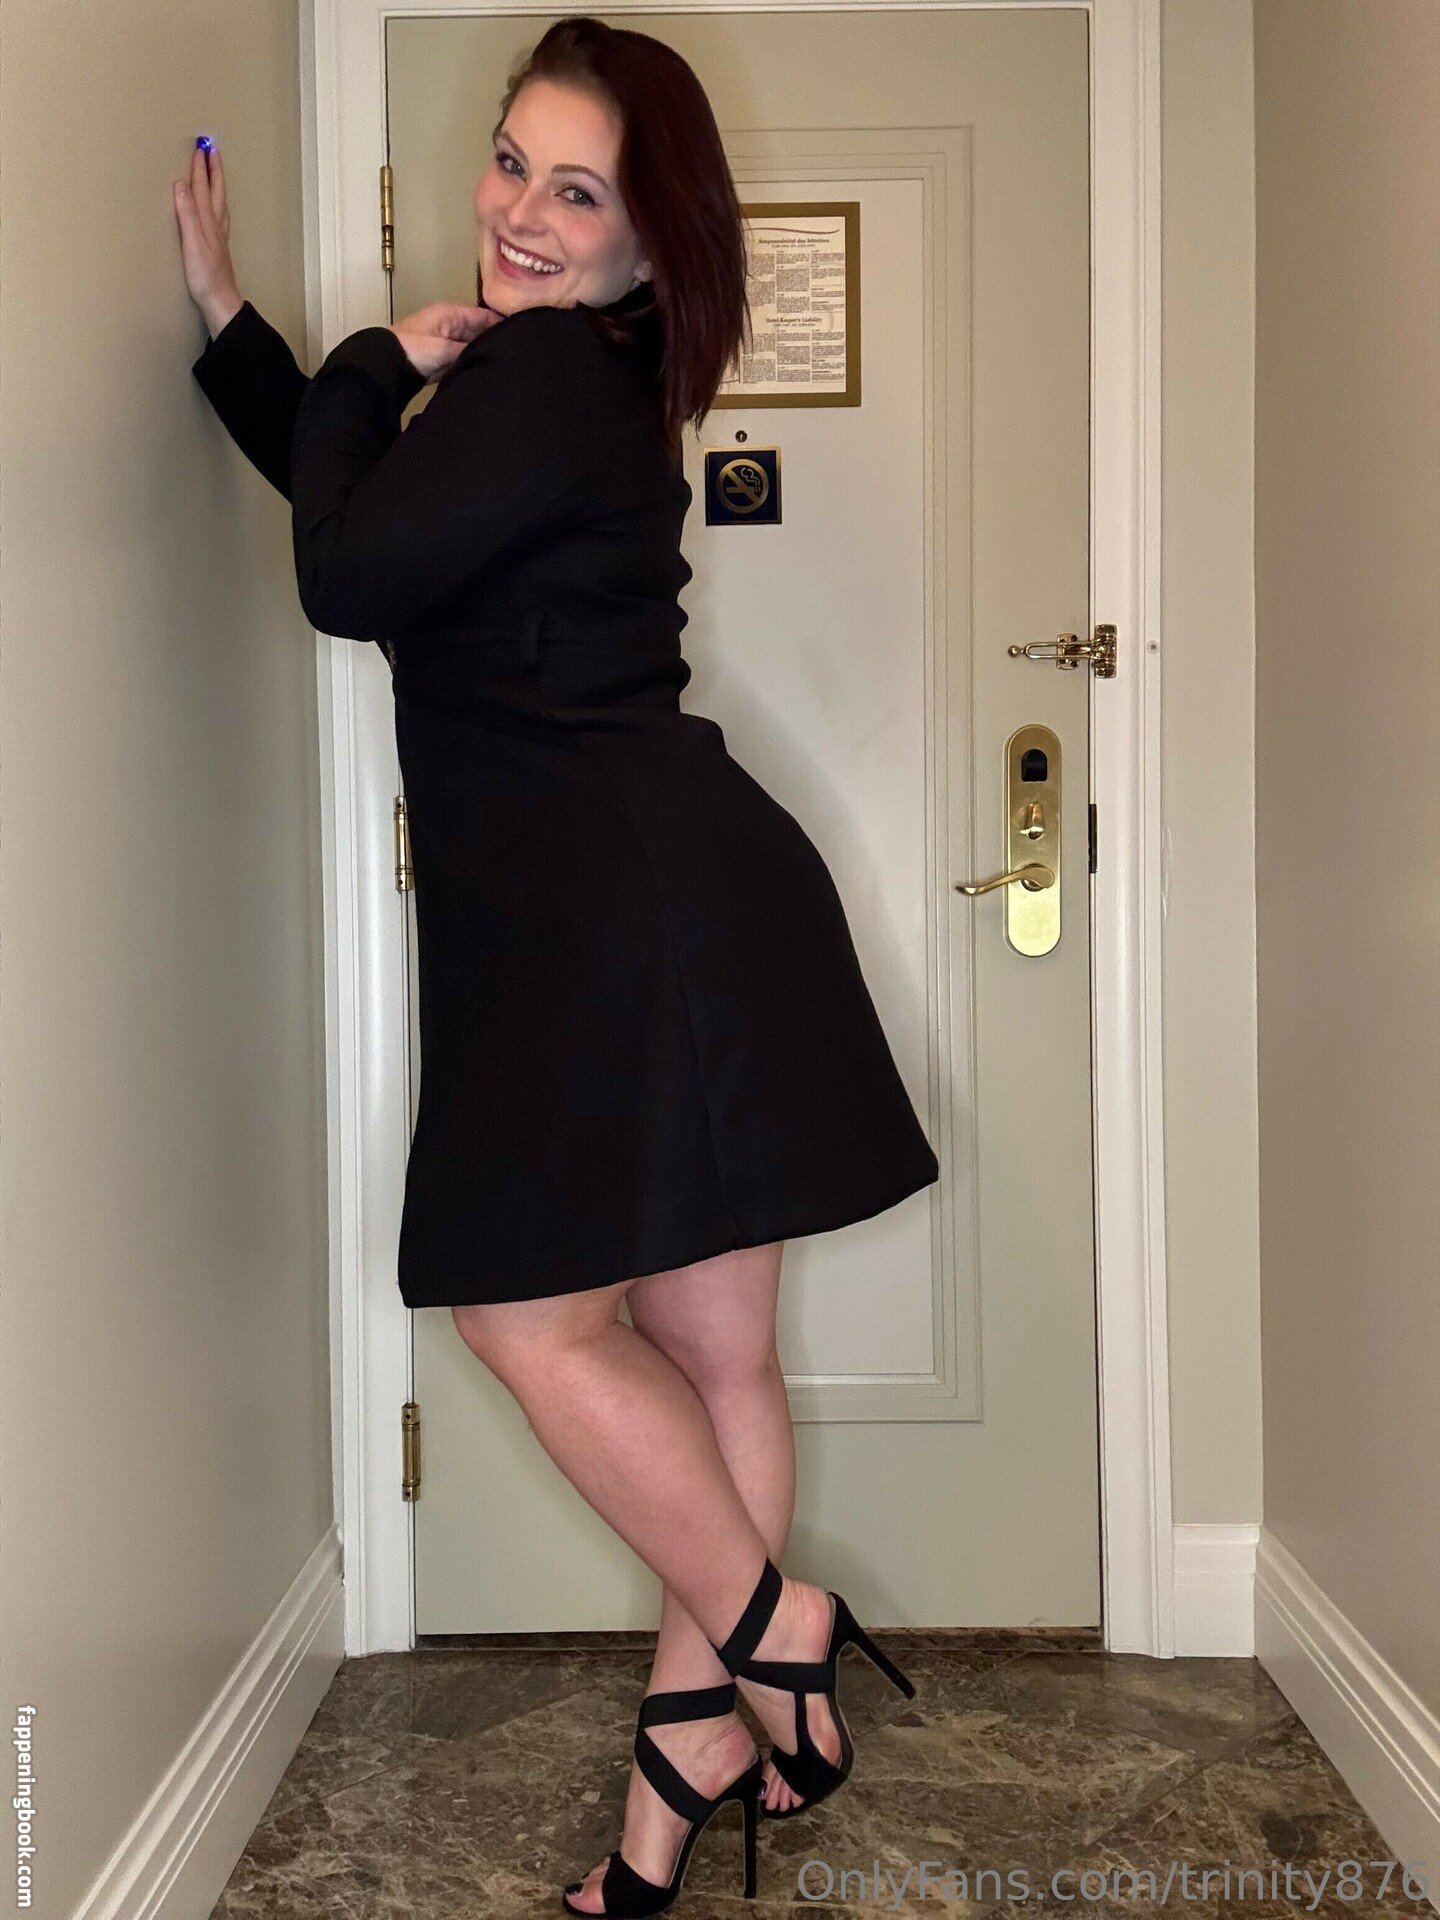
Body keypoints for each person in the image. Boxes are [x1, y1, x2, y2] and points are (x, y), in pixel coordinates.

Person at [174, 17, 935, 1915]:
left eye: (575, 191)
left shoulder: (535, 378)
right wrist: (246, 337)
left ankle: (776, 1628)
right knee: (714, 1355)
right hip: (681, 899)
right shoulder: (584, 380)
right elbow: (375, 522)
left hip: (620, 920)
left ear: (647, 238)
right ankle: (674, 1809)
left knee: (527, 1322)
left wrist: (374, 356)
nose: (519, 211)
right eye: (512, 160)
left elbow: (343, 574)